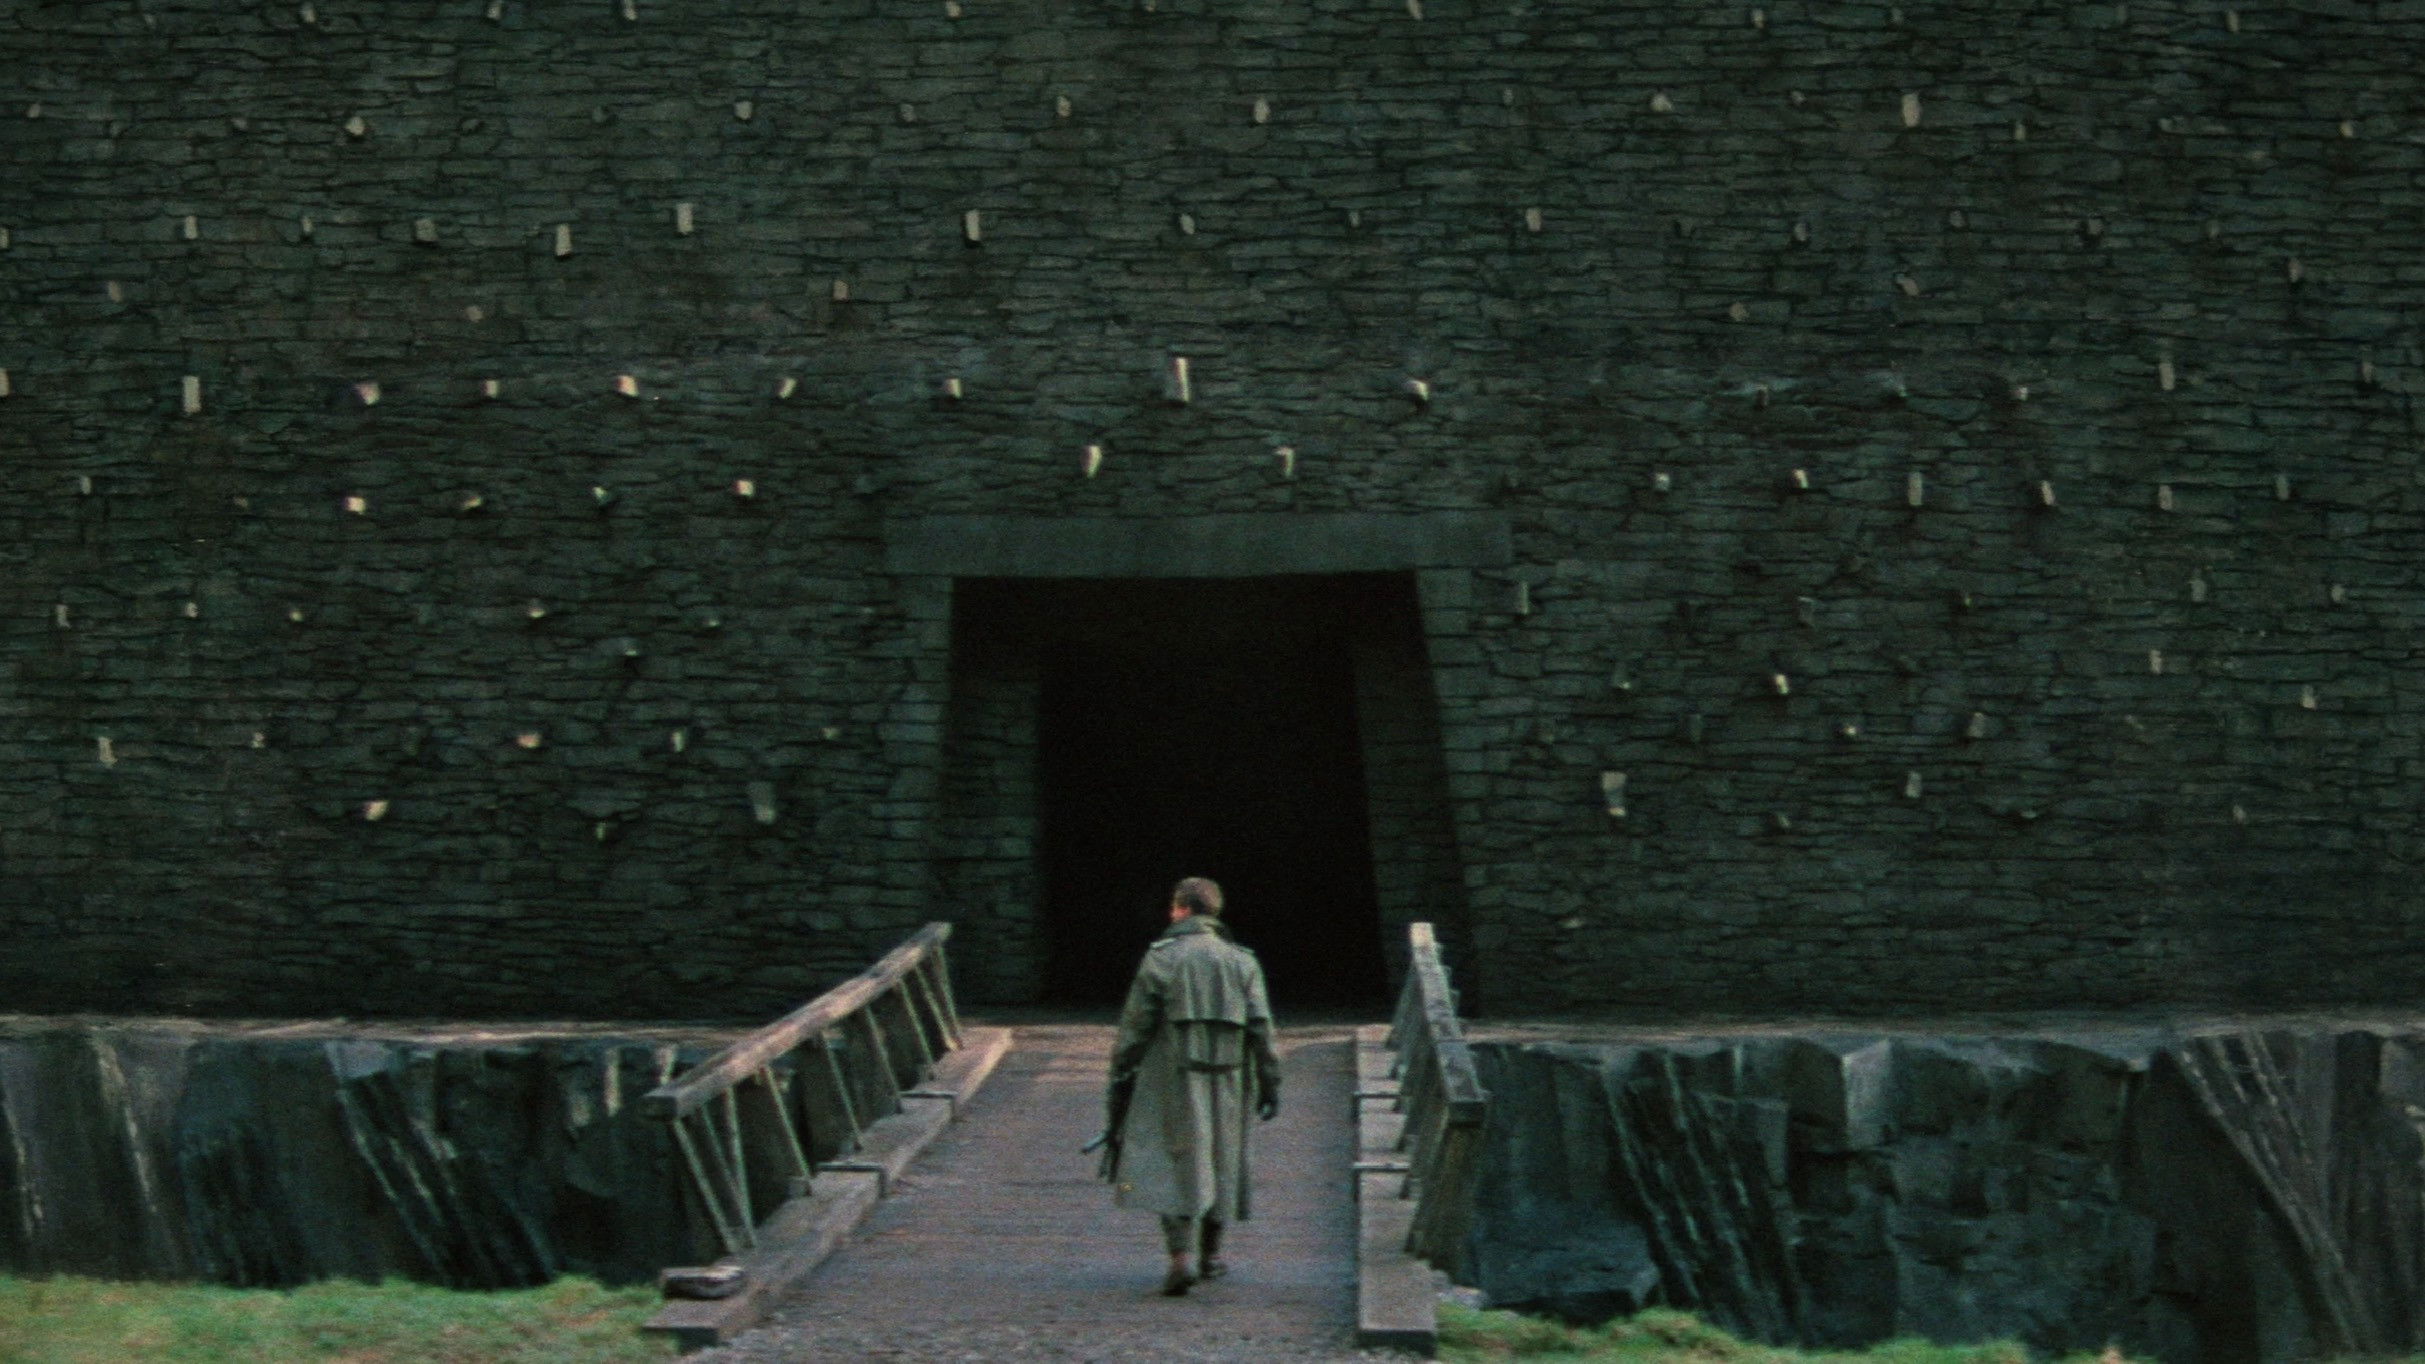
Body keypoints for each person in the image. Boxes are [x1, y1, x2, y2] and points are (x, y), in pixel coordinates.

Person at [1100, 876, 1282, 1296]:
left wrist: (1121, 1073)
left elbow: (1136, 1027)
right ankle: (1211, 1255)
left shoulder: (1161, 958)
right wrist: (1270, 1082)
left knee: (1173, 1159)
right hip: (1231, 1077)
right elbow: (1262, 1028)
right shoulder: (1242, 962)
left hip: (1172, 1077)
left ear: (1181, 909)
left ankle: (1180, 1256)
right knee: (1223, 1157)